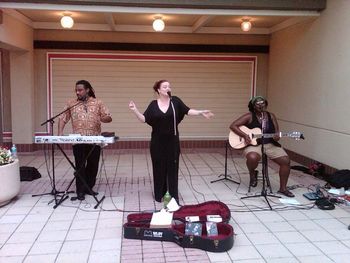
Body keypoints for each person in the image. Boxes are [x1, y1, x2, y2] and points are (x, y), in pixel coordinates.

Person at [129, 80, 214, 203]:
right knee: (159, 167)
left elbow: (187, 110)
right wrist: (135, 110)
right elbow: (144, 119)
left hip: (172, 141)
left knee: (172, 168)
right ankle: (160, 194)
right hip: (157, 142)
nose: (168, 88)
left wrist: (200, 112)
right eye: (165, 86)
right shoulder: (153, 104)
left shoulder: (175, 102)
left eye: (169, 86)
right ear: (158, 90)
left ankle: (173, 195)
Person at [229, 96, 294, 197]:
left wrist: (277, 136)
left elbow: (276, 133)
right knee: (252, 157)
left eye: (262, 103)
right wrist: (245, 135)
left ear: (266, 104)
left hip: (270, 143)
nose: (261, 105)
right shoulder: (249, 116)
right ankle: (252, 173)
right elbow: (233, 125)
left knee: (286, 161)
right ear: (253, 106)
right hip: (254, 144)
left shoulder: (271, 116)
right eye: (258, 103)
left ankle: (283, 188)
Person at [58, 80, 112, 200]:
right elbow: (62, 118)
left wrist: (105, 118)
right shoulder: (71, 103)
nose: (78, 92)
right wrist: (60, 133)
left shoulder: (98, 102)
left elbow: (108, 117)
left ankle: (89, 187)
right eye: (76, 90)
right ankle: (80, 190)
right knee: (80, 166)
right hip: (78, 140)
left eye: (80, 90)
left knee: (93, 165)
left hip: (94, 140)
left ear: (87, 90)